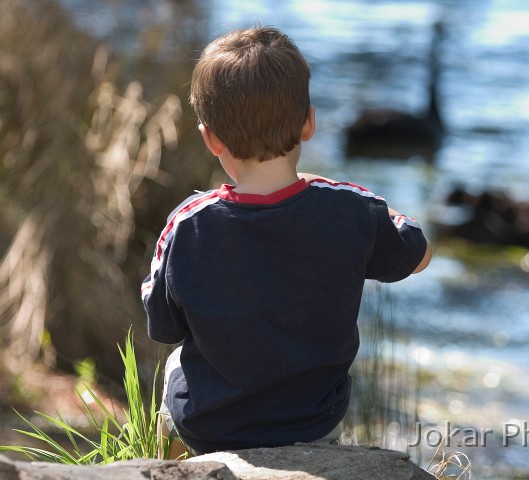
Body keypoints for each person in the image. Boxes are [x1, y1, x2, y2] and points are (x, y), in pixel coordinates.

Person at [141, 26, 432, 458]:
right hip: (314, 424)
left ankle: (184, 465)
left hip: (212, 428)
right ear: (309, 123)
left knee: (173, 366)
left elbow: (163, 326)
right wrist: (381, 209)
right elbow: (419, 253)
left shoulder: (187, 223)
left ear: (210, 138)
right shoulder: (352, 210)